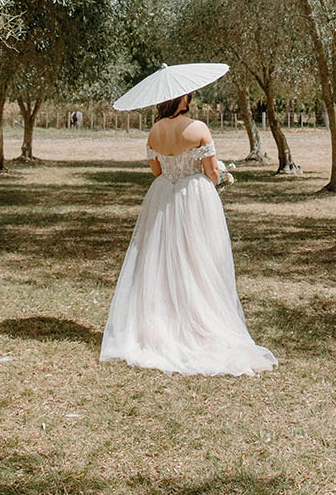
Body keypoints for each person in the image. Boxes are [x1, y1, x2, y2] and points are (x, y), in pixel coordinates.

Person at [99, 92, 277, 377]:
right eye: (188, 96)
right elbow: (210, 173)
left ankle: (163, 321)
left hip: (162, 196)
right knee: (198, 260)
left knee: (160, 260)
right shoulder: (199, 129)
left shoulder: (155, 131)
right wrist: (220, 171)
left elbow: (156, 171)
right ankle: (199, 321)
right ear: (183, 100)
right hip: (194, 198)